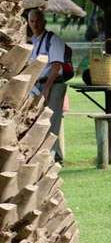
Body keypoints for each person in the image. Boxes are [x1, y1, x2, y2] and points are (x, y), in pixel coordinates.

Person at [27, 9, 68, 163]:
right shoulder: (32, 41)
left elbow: (56, 67)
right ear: (28, 23)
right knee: (41, 122)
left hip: (53, 84)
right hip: (38, 85)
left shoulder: (53, 39)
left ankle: (50, 159)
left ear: (44, 22)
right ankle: (54, 157)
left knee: (52, 122)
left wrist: (47, 88)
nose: (35, 24)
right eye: (32, 21)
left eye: (38, 21)